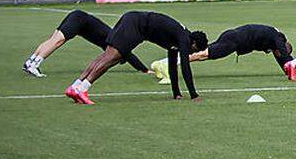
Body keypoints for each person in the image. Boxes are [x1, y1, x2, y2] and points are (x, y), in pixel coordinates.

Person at [64, 11, 207, 105]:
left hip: (132, 20)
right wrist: (194, 95)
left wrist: (176, 93)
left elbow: (172, 66)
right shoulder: (183, 39)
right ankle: (83, 89)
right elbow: (185, 68)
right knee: (112, 58)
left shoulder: (178, 38)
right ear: (193, 42)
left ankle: (75, 86)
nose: (190, 53)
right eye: (194, 50)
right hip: (135, 26)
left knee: (107, 56)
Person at [23, 9, 150, 78]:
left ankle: (31, 61)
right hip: (80, 21)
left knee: (54, 38)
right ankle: (35, 64)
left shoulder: (112, 39)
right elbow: (129, 54)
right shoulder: (117, 44)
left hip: (78, 16)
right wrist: (144, 69)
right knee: (57, 41)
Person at [186, 24, 293, 72]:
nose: (278, 56)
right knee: (205, 54)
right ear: (282, 46)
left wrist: (291, 70)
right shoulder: (278, 38)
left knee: (207, 54)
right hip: (235, 41)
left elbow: (283, 59)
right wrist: (295, 65)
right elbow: (284, 55)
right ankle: (179, 60)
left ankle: (183, 58)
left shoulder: (274, 40)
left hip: (232, 35)